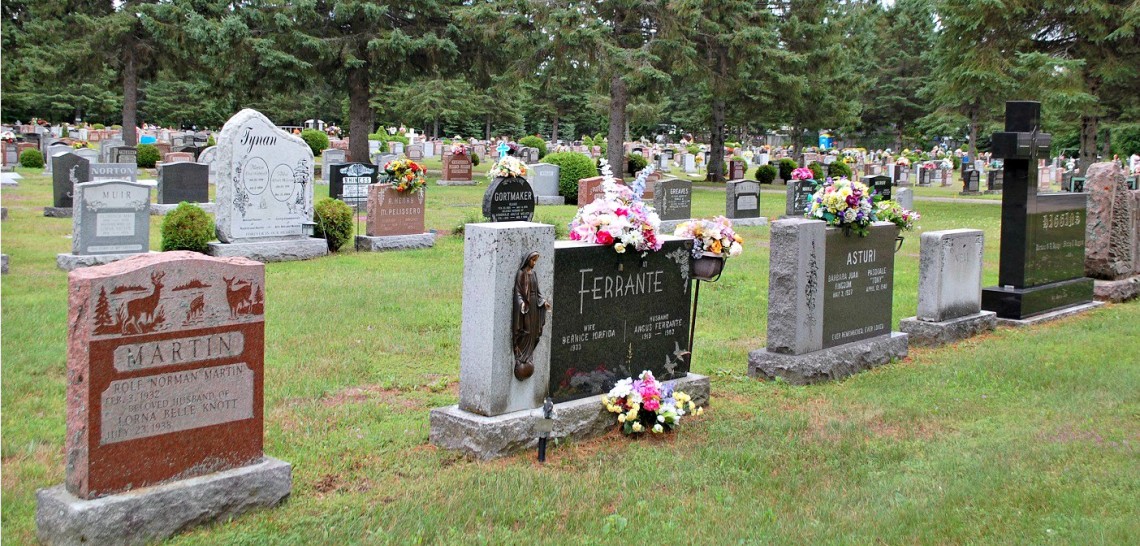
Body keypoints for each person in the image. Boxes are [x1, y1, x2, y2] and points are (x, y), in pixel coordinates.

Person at [512, 252, 551, 381]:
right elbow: (518, 291)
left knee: (534, 332)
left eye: (536, 261)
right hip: (526, 306)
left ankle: (528, 356)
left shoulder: (533, 274)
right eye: (533, 260)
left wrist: (543, 302)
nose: (534, 263)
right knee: (526, 330)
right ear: (528, 260)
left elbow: (537, 291)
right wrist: (522, 303)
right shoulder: (521, 274)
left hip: (534, 305)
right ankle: (521, 354)